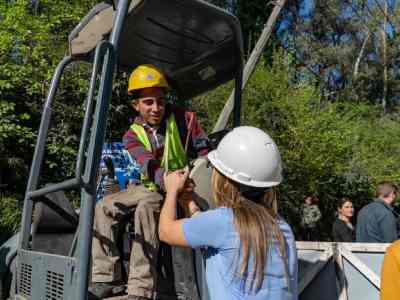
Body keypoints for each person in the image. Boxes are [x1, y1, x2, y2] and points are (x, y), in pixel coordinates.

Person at [90, 65, 209, 300]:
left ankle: (140, 289)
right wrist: (166, 181)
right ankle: (106, 278)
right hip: (154, 184)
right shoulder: (131, 135)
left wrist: (195, 171)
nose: (156, 108)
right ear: (136, 105)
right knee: (103, 207)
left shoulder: (184, 118)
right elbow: (148, 165)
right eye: (148, 102)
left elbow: (205, 149)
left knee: (146, 209)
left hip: (183, 186)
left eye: (160, 101)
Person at [159, 126, 298, 300]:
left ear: (223, 180)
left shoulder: (222, 222)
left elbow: (165, 231)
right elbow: (206, 227)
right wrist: (188, 202)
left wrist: (171, 191)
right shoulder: (282, 227)